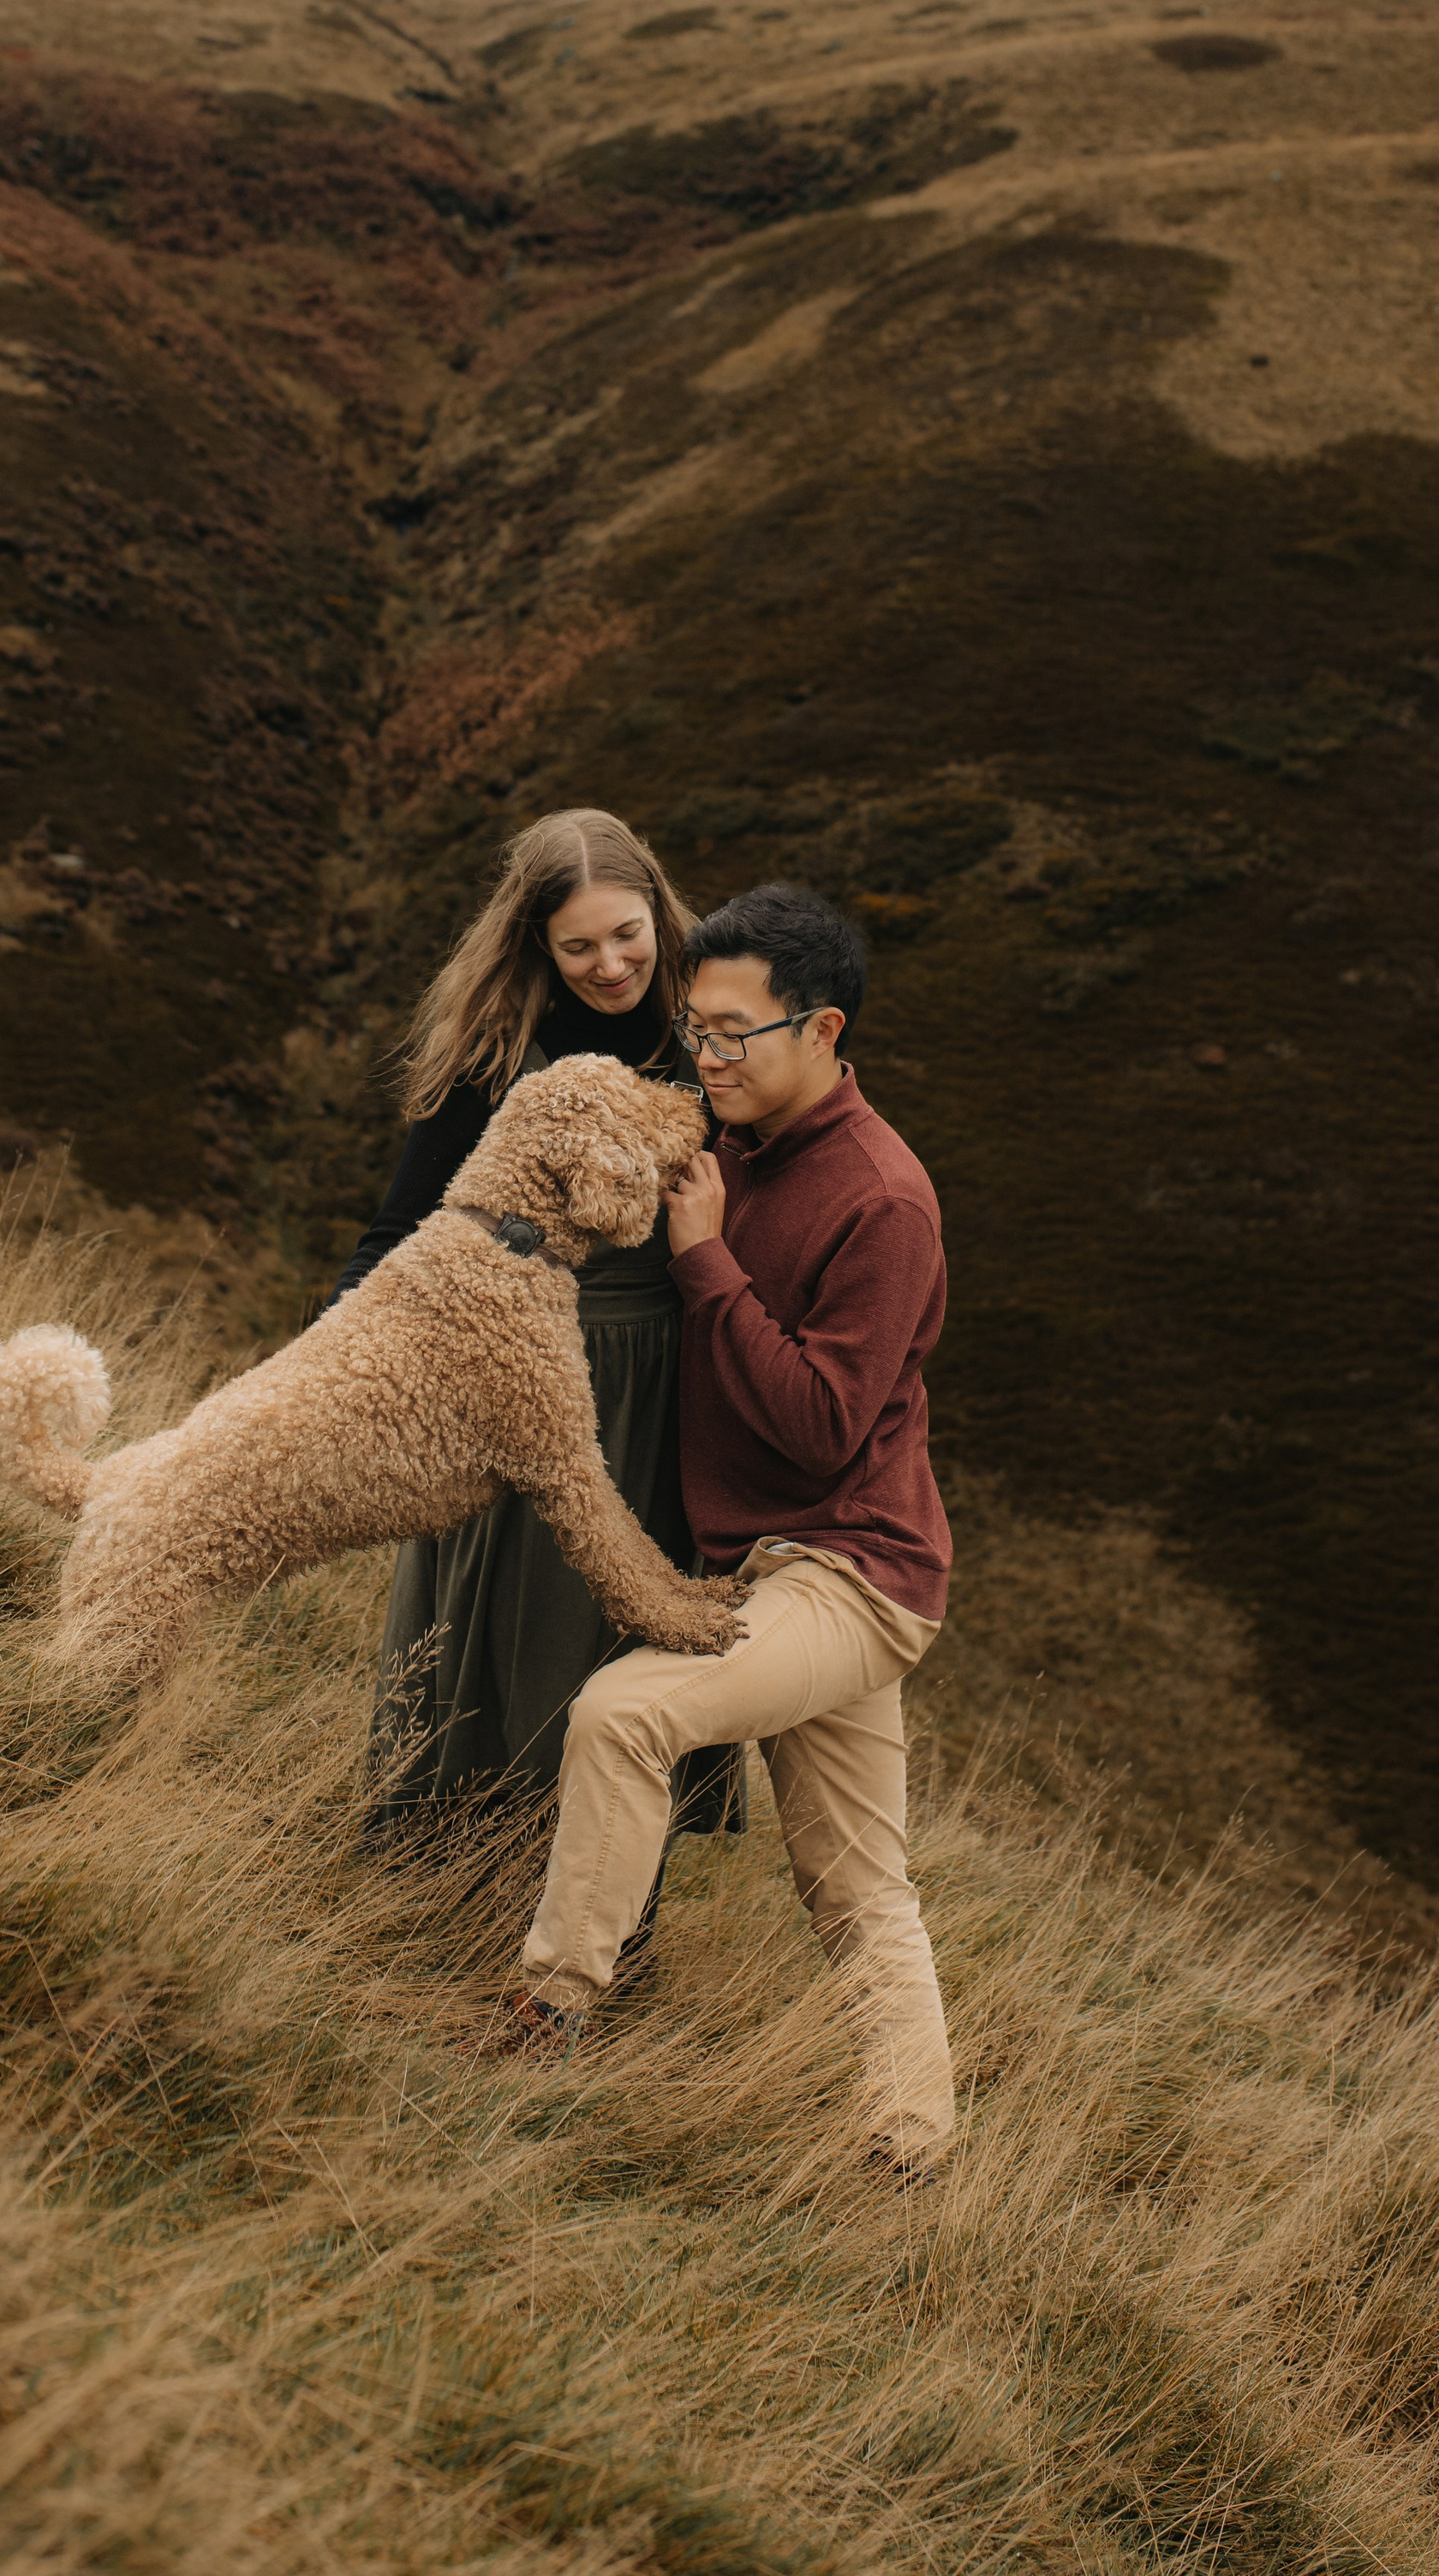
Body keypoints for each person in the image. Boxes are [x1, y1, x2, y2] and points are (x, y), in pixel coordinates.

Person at [496, 881, 958, 2181]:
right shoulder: (734, 1144)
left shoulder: (883, 1201)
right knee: (859, 1886)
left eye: (735, 1034)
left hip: (847, 1576)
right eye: (696, 1030)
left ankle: (548, 2017)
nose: (707, 1058)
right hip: (768, 1563)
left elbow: (820, 1425)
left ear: (823, 1030)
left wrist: (705, 1259)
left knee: (621, 1715)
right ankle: (914, 2151)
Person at [338, 808, 739, 1860]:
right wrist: (333, 1361)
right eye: (578, 946)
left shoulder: (709, 1033)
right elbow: (404, 1224)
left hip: (664, 1382)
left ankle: (606, 1906)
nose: (609, 965)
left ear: (658, 914)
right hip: (522, 1367)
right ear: (536, 943)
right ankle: (451, 1880)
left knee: (624, 1650)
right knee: (500, 1629)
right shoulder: (496, 1050)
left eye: (627, 935)